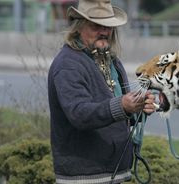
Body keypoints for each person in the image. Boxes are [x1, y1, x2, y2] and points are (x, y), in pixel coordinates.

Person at [47, 0, 156, 183]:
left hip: (113, 173)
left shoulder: (112, 61)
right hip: (84, 177)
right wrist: (122, 105)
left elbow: (121, 115)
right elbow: (79, 114)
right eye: (96, 25)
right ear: (78, 27)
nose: (104, 31)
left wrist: (139, 106)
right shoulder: (68, 65)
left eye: (108, 26)